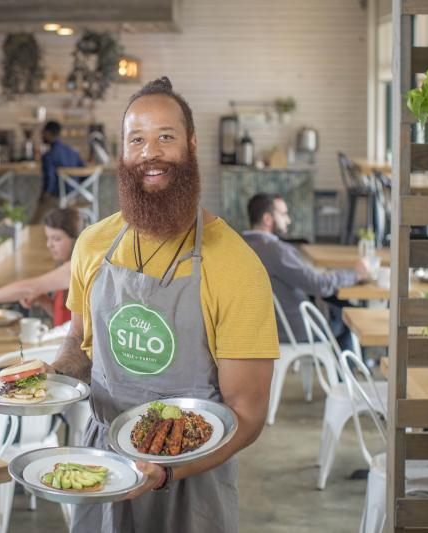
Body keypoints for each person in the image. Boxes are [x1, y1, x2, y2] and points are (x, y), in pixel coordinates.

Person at [45, 77, 280, 532]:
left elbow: (247, 414)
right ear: (123, 154)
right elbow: (80, 339)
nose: (150, 153)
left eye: (165, 138)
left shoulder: (234, 264)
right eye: (137, 140)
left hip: (193, 480)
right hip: (104, 466)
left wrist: (167, 470)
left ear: (191, 147)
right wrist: (53, 373)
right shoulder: (93, 246)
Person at [242, 193, 371, 347]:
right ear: (267, 219)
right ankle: (351, 370)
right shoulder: (276, 251)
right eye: (283, 214)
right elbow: (318, 285)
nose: (288, 220)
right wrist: (355, 273)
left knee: (336, 307)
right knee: (348, 319)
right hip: (293, 329)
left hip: (261, 328)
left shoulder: (241, 246)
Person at [0, 208, 85, 326]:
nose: (49, 245)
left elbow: (28, 288)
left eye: (56, 239)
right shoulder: (66, 266)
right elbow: (64, 320)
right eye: (48, 238)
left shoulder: (75, 268)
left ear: (75, 240)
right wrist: (42, 299)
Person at [31, 121, 85, 224]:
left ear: (47, 133)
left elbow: (50, 182)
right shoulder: (72, 151)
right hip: (74, 197)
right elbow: (84, 173)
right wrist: (76, 189)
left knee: (35, 220)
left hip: (58, 198)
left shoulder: (48, 156)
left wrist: (43, 197)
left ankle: (31, 234)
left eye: (43, 132)